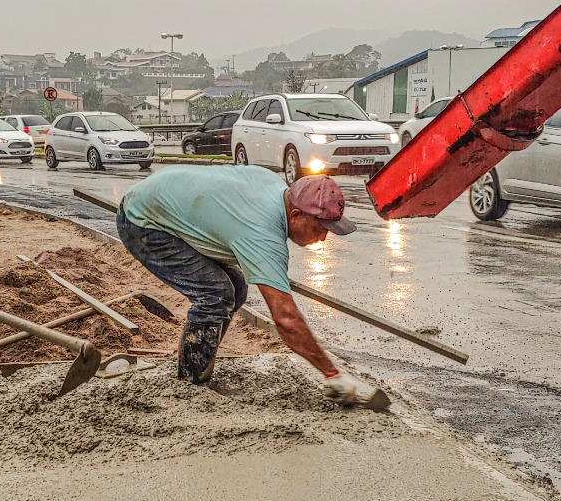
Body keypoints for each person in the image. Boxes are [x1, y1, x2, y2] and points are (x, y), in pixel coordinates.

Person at [117, 165, 379, 405]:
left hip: (160, 196)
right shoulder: (262, 234)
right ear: (296, 214)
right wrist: (332, 373)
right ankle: (190, 382)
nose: (323, 237)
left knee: (236, 288)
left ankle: (202, 361)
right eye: (320, 227)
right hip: (142, 221)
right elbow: (285, 319)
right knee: (215, 294)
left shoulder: (274, 187)